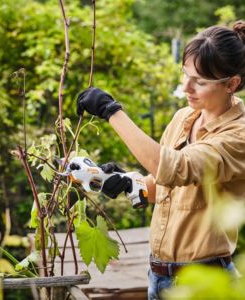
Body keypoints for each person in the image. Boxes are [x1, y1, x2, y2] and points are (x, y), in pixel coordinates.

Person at [76, 20, 245, 300]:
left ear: (232, 84)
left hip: (203, 283)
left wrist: (111, 111)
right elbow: (167, 187)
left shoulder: (238, 136)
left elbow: (176, 168)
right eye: (185, 74)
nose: (186, 86)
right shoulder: (183, 118)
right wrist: (128, 182)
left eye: (200, 81)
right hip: (159, 278)